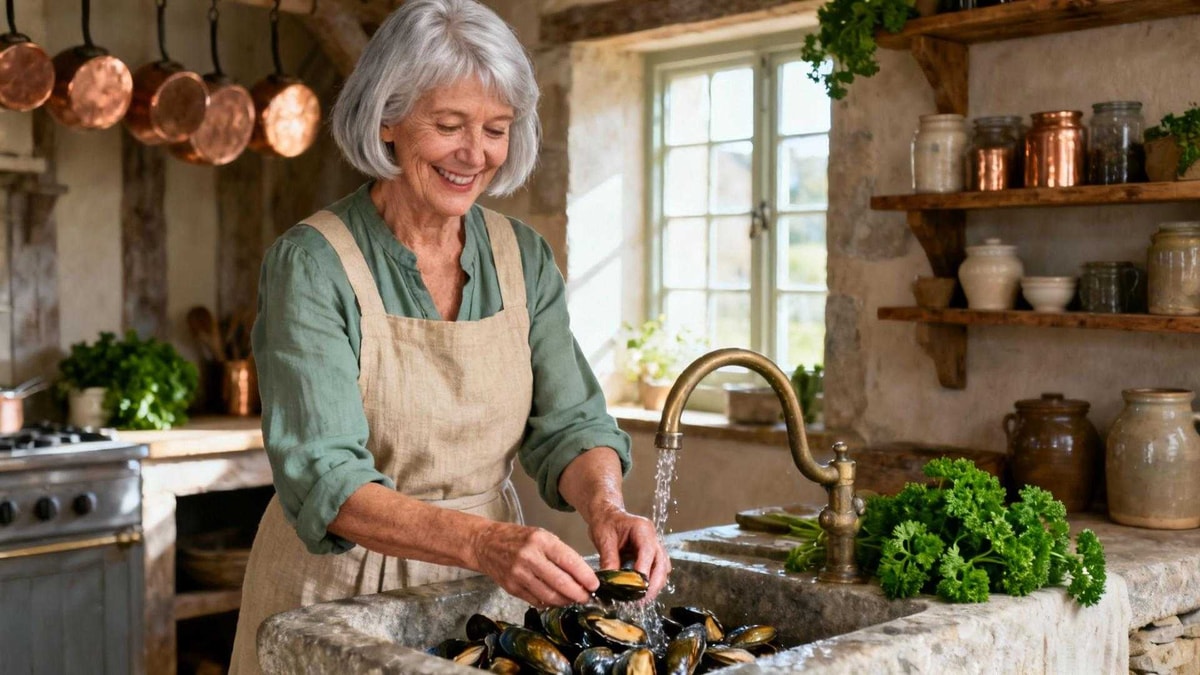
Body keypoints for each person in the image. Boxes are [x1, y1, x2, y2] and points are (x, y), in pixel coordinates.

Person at [228, 0, 670, 671]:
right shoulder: (313, 263)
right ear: (388, 119)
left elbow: (571, 425)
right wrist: (484, 542)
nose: (476, 154)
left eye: (495, 128)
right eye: (449, 125)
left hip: (481, 597)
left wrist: (605, 507)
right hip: (335, 595)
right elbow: (326, 477)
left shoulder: (524, 257)